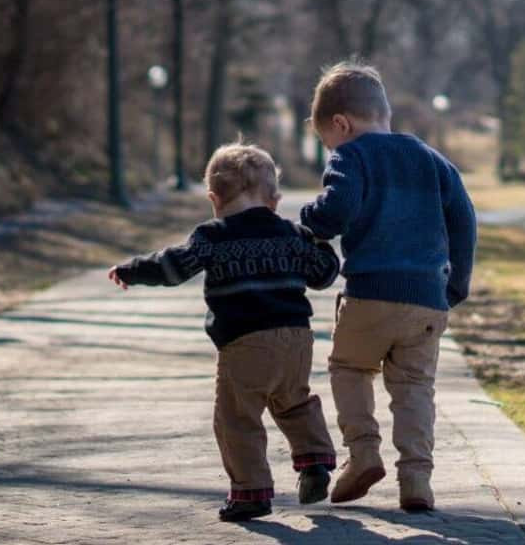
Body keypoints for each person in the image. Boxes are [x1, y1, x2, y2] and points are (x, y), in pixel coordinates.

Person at [108, 142, 341, 522]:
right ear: (274, 200)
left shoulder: (211, 236)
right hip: (296, 339)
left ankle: (251, 492)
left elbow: (173, 267)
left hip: (245, 342)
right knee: (294, 401)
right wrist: (322, 245)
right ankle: (314, 462)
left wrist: (134, 269)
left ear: (214, 198)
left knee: (237, 417)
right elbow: (324, 275)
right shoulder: (291, 233)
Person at [300, 61, 476, 512]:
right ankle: (416, 480)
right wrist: (456, 284)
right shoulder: (432, 159)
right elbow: (464, 220)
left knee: (350, 368)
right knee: (415, 386)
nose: (330, 149)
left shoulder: (351, 156)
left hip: (370, 293)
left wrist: (309, 220)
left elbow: (335, 211)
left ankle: (363, 454)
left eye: (327, 142)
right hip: (426, 300)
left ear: (342, 124)